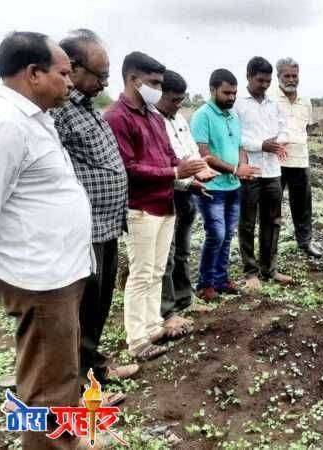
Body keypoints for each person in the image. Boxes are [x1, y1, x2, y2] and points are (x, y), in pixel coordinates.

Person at [0, 31, 90, 450]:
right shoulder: (7, 125)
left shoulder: (34, 118)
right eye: (63, 73)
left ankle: (66, 439)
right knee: (47, 389)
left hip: (60, 274)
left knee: (60, 375)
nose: (70, 83)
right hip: (40, 279)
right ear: (34, 73)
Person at [51, 29, 139, 394]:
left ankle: (95, 368)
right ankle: (80, 386)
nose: (104, 81)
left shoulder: (87, 107)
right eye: (99, 74)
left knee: (98, 307)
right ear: (72, 67)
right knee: (82, 312)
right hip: (85, 230)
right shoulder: (58, 112)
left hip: (107, 225)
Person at [105, 52, 207, 361]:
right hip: (141, 208)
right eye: (153, 83)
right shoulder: (117, 117)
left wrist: (190, 173)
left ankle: (153, 326)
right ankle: (137, 340)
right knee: (141, 273)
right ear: (133, 79)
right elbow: (128, 167)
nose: (158, 89)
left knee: (156, 271)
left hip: (165, 204)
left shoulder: (152, 116)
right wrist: (176, 173)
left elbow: (166, 157)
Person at [192, 69, 260, 300]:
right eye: (226, 93)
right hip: (212, 187)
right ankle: (204, 284)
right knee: (216, 234)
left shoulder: (233, 116)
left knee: (228, 235)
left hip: (233, 186)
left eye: (234, 93)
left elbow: (239, 147)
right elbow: (204, 155)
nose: (231, 98)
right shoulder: (202, 116)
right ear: (212, 90)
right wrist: (233, 169)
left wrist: (242, 167)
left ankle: (220, 280)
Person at [155, 70, 216, 329]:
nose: (178, 104)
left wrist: (201, 171)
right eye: (173, 99)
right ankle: (167, 311)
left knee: (182, 251)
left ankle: (184, 298)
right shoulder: (153, 122)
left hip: (187, 193)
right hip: (167, 194)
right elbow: (164, 164)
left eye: (181, 99)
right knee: (165, 256)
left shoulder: (178, 117)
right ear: (159, 95)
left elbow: (190, 152)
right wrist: (190, 179)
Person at [235, 56, 293, 291]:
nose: (265, 85)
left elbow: (285, 131)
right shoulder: (238, 105)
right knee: (248, 223)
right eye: (260, 80)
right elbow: (236, 137)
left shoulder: (274, 104)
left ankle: (270, 268)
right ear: (249, 76)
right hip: (251, 171)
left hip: (273, 171)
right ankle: (250, 272)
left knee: (273, 221)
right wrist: (262, 144)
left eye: (268, 81)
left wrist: (277, 141)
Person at [275, 57, 322, 257]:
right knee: (272, 207)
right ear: (278, 76)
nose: (291, 79)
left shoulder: (306, 101)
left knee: (303, 205)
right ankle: (271, 247)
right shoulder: (270, 99)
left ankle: (305, 243)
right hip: (276, 162)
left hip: (300, 160)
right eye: (287, 75)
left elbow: (306, 128)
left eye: (295, 75)